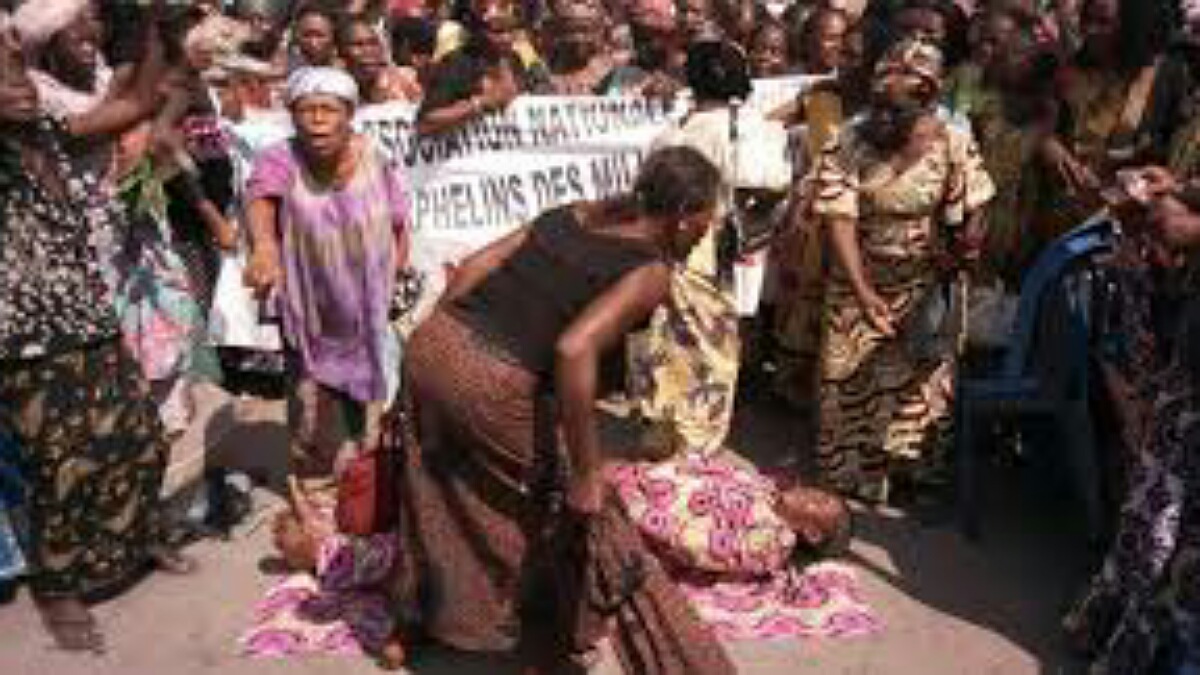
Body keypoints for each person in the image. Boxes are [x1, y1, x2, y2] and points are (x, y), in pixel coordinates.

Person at [388, 146, 735, 673]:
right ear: (686, 215)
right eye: (706, 219)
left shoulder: (571, 212)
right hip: (494, 375)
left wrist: (440, 349)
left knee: (435, 482)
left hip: (433, 340)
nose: (706, 231)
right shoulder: (650, 271)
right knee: (586, 519)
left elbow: (475, 267)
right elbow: (574, 350)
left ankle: (413, 627)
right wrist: (589, 471)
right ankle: (660, 662)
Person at [0, 7, 194, 654]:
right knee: (61, 461)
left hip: (86, 307)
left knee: (140, 433)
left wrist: (159, 24)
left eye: (16, 65)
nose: (20, 81)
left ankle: (138, 536)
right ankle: (59, 587)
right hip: (18, 329)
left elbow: (139, 99)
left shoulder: (49, 126)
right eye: (5, 73)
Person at [808, 38, 995, 504]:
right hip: (858, 280)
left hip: (924, 282)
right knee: (847, 379)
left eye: (896, 108)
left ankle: (908, 474)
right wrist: (863, 291)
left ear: (928, 101)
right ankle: (850, 479)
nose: (882, 117)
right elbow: (840, 221)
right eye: (876, 105)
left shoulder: (953, 141)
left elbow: (976, 202)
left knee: (918, 384)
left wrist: (967, 244)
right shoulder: (849, 140)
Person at [244, 66, 409, 488]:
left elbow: (398, 222)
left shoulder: (374, 156)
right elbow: (262, 201)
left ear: (348, 114)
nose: (317, 119)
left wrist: (395, 276)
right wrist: (264, 249)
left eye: (328, 109)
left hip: (365, 307)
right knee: (312, 402)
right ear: (293, 116)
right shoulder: (280, 158)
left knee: (366, 397)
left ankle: (359, 481)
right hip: (311, 307)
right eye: (306, 110)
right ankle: (316, 489)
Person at [1063, 168, 1200, 673]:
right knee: (1150, 541)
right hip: (1176, 413)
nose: (1157, 218)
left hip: (1181, 418)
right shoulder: (1161, 267)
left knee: (1163, 549)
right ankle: (1116, 642)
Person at [632, 38, 792, 458]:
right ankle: (697, 444)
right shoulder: (752, 131)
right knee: (710, 348)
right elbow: (772, 186)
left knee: (663, 340)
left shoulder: (671, 133)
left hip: (664, 250)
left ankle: (662, 435)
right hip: (712, 249)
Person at [415, 0, 549, 135]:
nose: (506, 38)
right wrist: (481, 104)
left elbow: (547, 90)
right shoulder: (461, 63)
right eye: (498, 32)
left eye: (511, 30)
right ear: (480, 32)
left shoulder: (521, 58)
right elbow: (424, 122)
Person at [337, 12, 421, 103]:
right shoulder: (335, 88)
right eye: (358, 44)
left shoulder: (405, 82)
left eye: (373, 43)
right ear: (341, 51)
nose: (368, 50)